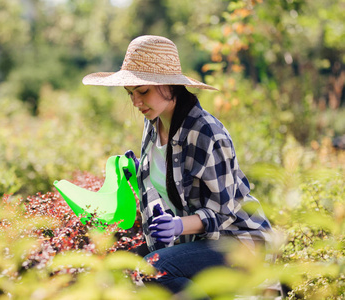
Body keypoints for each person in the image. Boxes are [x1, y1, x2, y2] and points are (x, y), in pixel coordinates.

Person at [82, 35, 273, 294]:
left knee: (154, 270)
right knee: (119, 265)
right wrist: (139, 172)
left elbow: (223, 212)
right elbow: (167, 184)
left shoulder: (206, 132)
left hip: (237, 241)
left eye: (143, 92)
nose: (136, 103)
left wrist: (178, 226)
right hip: (197, 242)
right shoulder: (154, 126)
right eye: (130, 94)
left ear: (170, 85)